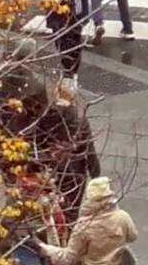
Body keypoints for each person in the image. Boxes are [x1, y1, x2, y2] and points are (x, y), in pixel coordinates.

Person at [35, 83, 101, 233]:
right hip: (74, 173)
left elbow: (38, 143)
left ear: (57, 93)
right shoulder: (79, 120)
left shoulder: (44, 117)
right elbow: (89, 150)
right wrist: (95, 174)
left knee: (48, 210)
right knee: (70, 213)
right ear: (73, 97)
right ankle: (67, 240)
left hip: (51, 171)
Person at [41, 0, 92, 84]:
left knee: (68, 40)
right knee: (68, 40)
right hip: (69, 11)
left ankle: (70, 73)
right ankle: (70, 72)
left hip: (69, 11)